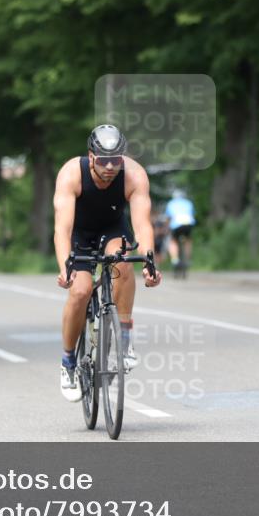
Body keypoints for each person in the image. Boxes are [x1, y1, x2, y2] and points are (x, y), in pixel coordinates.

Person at [53, 124, 162, 402]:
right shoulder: (71, 174)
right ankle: (68, 363)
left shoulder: (134, 175)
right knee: (80, 291)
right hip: (79, 233)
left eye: (117, 159)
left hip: (113, 230)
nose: (111, 167)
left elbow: (142, 225)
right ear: (91, 157)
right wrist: (64, 267)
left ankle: (124, 339)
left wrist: (149, 261)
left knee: (123, 263)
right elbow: (62, 229)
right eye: (104, 161)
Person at [165, 189, 196, 267]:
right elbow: (192, 215)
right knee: (188, 240)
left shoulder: (171, 203)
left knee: (173, 240)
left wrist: (167, 228)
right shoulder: (188, 203)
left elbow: (168, 218)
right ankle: (188, 259)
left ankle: (175, 259)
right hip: (188, 223)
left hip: (176, 224)